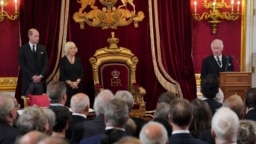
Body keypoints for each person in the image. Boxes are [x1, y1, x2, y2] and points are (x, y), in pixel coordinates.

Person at [18, 28, 48, 96]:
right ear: (30, 36)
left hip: (40, 81)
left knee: (40, 103)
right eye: (36, 36)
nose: (38, 38)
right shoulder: (23, 49)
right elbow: (22, 65)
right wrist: (32, 77)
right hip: (28, 82)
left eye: (38, 36)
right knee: (28, 102)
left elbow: (46, 64)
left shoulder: (42, 48)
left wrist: (40, 76)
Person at [60, 41, 84, 106]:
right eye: (71, 48)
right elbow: (62, 75)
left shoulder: (78, 59)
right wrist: (71, 83)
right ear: (67, 49)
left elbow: (81, 72)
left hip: (77, 86)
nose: (73, 50)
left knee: (78, 105)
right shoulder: (63, 60)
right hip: (67, 88)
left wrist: (76, 83)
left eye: (74, 48)